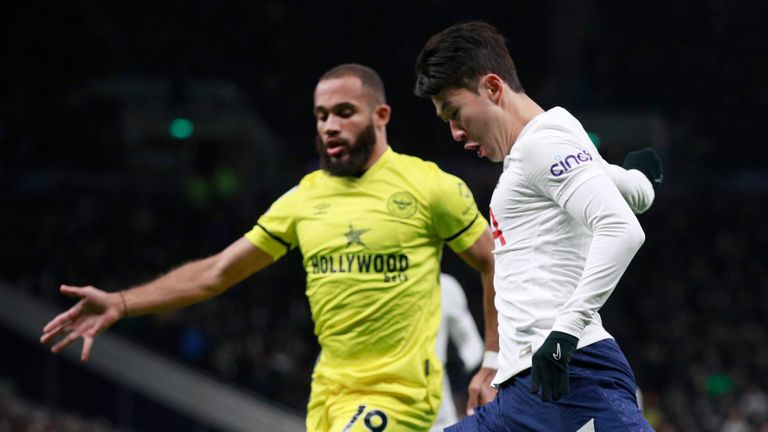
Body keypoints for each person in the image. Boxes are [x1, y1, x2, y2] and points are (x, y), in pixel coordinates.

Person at [40, 63, 497, 432]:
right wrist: (121, 302)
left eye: (343, 112)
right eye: (321, 117)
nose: (330, 127)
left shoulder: (428, 186)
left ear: (381, 116)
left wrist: (494, 361)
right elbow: (215, 273)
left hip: (400, 397)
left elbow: (492, 262)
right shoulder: (304, 199)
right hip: (328, 398)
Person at [414, 21, 661, 431]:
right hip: (520, 395)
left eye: (455, 114)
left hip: (574, 378)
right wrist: (641, 185)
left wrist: (563, 336)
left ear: (493, 88)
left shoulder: (541, 145)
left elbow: (621, 229)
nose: (456, 133)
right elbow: (617, 187)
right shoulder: (548, 140)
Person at [431, 273, 485, 432]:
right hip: (379, 403)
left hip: (438, 411)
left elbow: (472, 343)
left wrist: (460, 364)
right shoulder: (367, 283)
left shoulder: (445, 286)